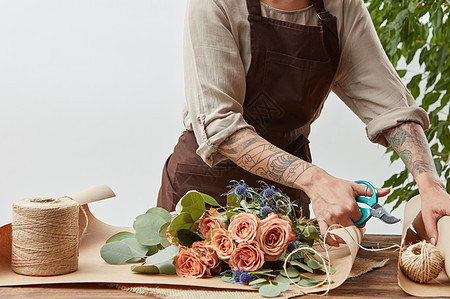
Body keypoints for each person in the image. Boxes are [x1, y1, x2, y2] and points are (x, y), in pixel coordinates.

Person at [157, 0, 450, 246]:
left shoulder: (341, 6)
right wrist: (317, 181)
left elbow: (393, 108)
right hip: (202, 194)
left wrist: (430, 185)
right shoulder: (214, 4)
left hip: (284, 198)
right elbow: (222, 128)